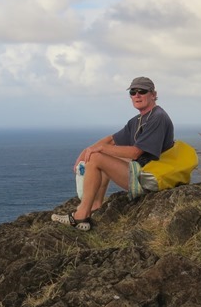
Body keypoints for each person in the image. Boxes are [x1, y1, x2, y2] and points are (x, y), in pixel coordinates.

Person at [52, 76, 174, 231]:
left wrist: (98, 151)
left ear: (153, 94)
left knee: (97, 157)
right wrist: (85, 152)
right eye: (133, 92)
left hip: (151, 179)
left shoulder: (158, 117)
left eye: (142, 91)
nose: (137, 95)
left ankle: (80, 215)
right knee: (98, 155)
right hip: (142, 172)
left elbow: (136, 153)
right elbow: (111, 139)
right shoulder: (137, 120)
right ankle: (95, 207)